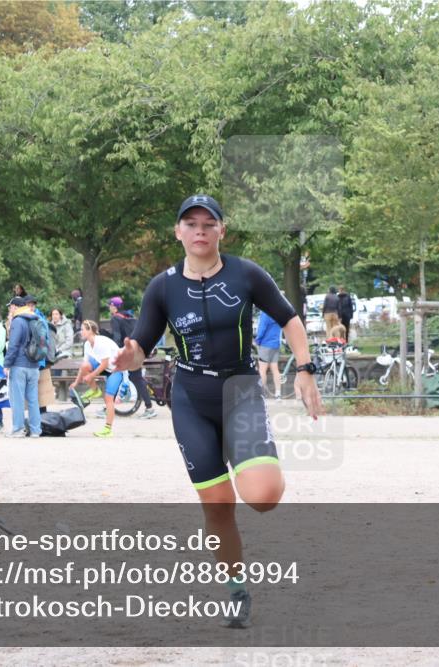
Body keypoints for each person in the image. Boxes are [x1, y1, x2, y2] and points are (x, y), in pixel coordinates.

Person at [113, 193, 323, 629]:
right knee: (218, 508)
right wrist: (126, 358)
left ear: (221, 231)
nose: (200, 230)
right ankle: (237, 591)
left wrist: (304, 369)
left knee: (263, 497)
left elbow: (290, 319)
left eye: (209, 223)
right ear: (178, 232)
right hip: (190, 398)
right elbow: (140, 348)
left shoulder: (246, 274)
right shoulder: (163, 286)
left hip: (241, 391)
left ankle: (253, 458)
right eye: (191, 223)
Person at [69, 320, 126, 437]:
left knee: (108, 398)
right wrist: (76, 382)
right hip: (104, 366)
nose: (81, 332)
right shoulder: (87, 344)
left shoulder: (101, 343)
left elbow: (104, 364)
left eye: (83, 329)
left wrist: (91, 376)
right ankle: (95, 390)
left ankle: (107, 429)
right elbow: (84, 365)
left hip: (116, 369)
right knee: (85, 366)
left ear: (90, 331)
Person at [108, 296, 156, 419]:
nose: (109, 307)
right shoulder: (128, 316)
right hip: (137, 348)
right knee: (135, 377)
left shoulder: (115, 319)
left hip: (128, 351)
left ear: (115, 306)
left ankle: (149, 408)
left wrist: (115, 351)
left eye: (110, 305)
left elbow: (117, 337)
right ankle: (109, 405)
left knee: (129, 376)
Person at [4, 296, 42, 438]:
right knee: (33, 399)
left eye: (10, 307)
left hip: (19, 364)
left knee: (18, 398)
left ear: (15, 307)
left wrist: (7, 364)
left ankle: (18, 429)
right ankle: (36, 430)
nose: (10, 309)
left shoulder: (18, 321)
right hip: (34, 364)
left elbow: (13, 345)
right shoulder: (35, 318)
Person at [255, 309, 282, 400]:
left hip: (265, 344)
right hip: (276, 344)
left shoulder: (265, 312)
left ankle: (262, 394)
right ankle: (278, 394)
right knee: (275, 369)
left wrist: (257, 341)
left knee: (262, 370)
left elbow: (262, 328)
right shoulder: (277, 312)